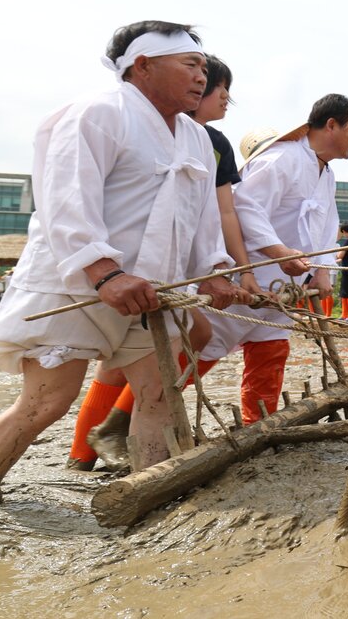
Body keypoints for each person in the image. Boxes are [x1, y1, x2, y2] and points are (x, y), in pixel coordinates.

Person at [0, 21, 241, 510]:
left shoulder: (197, 139)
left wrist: (216, 270)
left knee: (159, 393)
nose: (202, 76)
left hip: (152, 288)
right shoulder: (96, 113)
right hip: (74, 281)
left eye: (204, 67)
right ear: (143, 66)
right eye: (190, 64)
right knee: (47, 402)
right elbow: (65, 199)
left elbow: (202, 221)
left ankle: (146, 495)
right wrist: (105, 273)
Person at [70, 54, 258, 470]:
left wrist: (226, 270)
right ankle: (95, 445)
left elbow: (218, 213)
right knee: (115, 366)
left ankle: (103, 441)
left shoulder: (210, 142)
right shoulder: (128, 125)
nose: (225, 100)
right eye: (219, 90)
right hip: (120, 269)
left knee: (177, 343)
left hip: (174, 268)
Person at [199, 94, 348, 423]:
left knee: (271, 350)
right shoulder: (281, 158)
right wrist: (277, 251)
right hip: (248, 273)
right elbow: (244, 207)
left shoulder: (326, 174)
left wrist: (323, 273)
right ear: (331, 125)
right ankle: (128, 421)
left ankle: (258, 425)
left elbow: (327, 227)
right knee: (199, 350)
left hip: (286, 283)